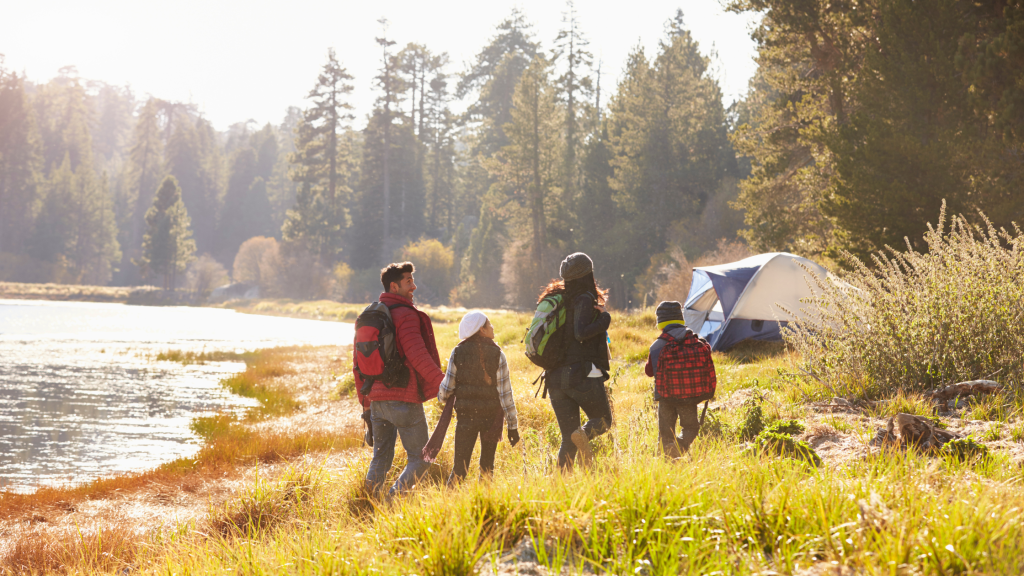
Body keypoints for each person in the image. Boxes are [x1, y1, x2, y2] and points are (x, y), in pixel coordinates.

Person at [356, 261, 444, 497]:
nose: (414, 287)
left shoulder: (369, 316)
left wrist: (365, 402)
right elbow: (417, 355)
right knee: (423, 457)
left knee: (381, 457)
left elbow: (358, 365)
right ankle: (393, 500)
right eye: (408, 282)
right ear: (394, 287)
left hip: (377, 401)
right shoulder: (406, 315)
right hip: (403, 399)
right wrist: (444, 383)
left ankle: (370, 506)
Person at [541, 252, 613, 470]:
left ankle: (561, 487)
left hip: (554, 378)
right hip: (579, 375)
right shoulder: (583, 299)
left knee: (567, 438)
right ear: (588, 273)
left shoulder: (558, 300)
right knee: (602, 422)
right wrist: (605, 319)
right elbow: (581, 333)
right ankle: (581, 434)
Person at [437, 311, 520, 485]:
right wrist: (513, 427)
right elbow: (506, 395)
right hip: (491, 419)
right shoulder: (498, 354)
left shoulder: (458, 352)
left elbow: (445, 391)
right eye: (489, 324)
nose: (492, 327)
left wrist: (444, 397)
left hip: (466, 418)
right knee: (487, 467)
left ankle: (449, 505)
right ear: (481, 329)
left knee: (459, 469)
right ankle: (484, 505)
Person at [644, 301, 715, 458]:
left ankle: (666, 462)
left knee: (665, 432)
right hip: (689, 398)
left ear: (660, 324)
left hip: (665, 397)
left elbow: (649, 372)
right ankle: (680, 446)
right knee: (691, 428)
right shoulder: (697, 341)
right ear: (681, 320)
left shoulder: (657, 345)